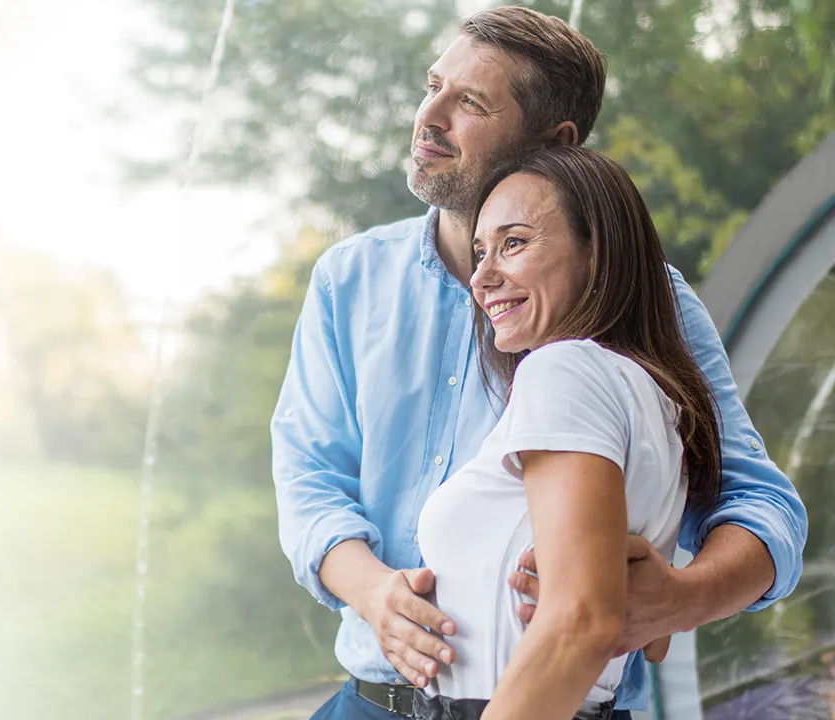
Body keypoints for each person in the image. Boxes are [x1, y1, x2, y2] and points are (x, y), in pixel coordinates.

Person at [270, 6, 808, 719]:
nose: (429, 117)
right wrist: (372, 592)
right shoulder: (349, 279)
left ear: (552, 141)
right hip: (370, 702)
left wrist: (680, 598)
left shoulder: (646, 301)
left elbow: (764, 507)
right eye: (433, 86)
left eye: (470, 103)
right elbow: (308, 480)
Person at [415, 144, 721, 718]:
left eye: (514, 243)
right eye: (480, 252)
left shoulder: (564, 370)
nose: (481, 278)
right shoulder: (649, 394)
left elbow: (583, 619)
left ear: (596, 251)